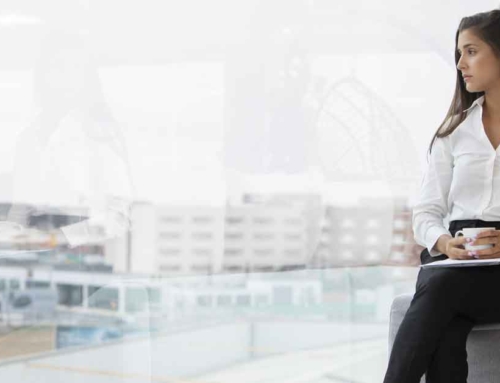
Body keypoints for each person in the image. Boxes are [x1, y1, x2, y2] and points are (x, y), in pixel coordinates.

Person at [383, 9, 500, 383]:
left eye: (471, 51)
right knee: (445, 311)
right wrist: (445, 243)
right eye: (458, 53)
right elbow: (426, 213)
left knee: (442, 293)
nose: (460, 64)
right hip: (457, 256)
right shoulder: (454, 132)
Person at [6, 29, 134, 254]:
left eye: (73, 68)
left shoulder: (100, 134)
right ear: (42, 73)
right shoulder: (27, 138)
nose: (63, 77)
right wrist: (13, 235)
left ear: (86, 76)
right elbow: (20, 211)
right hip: (31, 263)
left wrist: (58, 238)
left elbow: (119, 217)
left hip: (84, 262)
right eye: (55, 67)